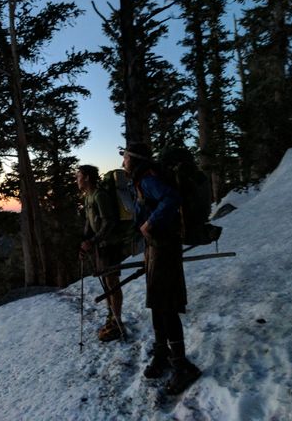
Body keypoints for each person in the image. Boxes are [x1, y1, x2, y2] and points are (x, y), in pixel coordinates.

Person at [121, 143, 201, 395]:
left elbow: (171, 198)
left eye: (125, 157)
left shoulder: (147, 179)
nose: (122, 161)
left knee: (165, 303)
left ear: (133, 159)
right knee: (157, 302)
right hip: (156, 247)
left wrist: (149, 224)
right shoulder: (142, 179)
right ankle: (163, 352)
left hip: (164, 246)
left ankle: (181, 365)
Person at [76, 164, 127, 342]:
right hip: (101, 246)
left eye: (79, 176)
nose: (77, 179)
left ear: (88, 177)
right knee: (107, 283)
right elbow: (89, 224)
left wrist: (92, 241)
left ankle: (117, 320)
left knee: (112, 282)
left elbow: (109, 222)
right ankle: (111, 316)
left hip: (110, 245)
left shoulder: (100, 196)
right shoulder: (88, 197)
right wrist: (85, 242)